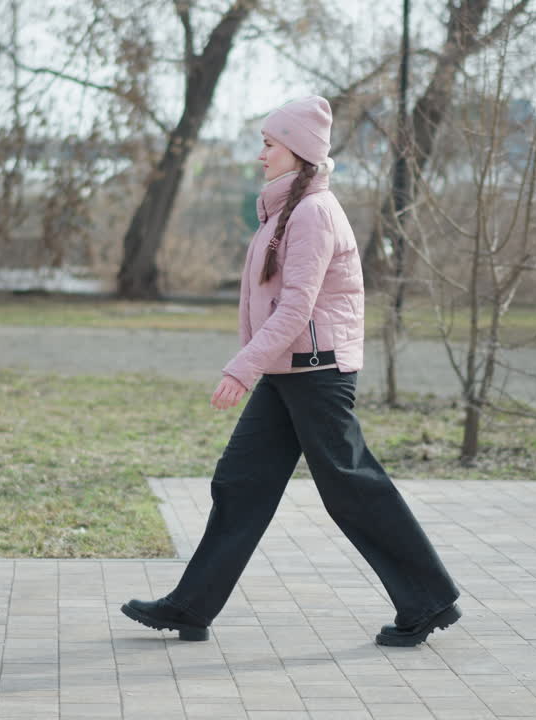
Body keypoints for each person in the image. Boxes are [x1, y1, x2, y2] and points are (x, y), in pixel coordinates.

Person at [121, 96, 461, 647]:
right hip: (290, 368)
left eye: (269, 144)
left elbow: (296, 307)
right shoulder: (286, 210)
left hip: (317, 370)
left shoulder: (313, 213)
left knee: (350, 486)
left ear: (297, 152)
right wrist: (256, 363)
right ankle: (190, 607)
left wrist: (242, 369)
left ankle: (428, 600)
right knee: (240, 483)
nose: (261, 154)